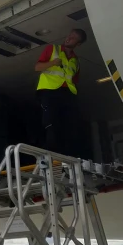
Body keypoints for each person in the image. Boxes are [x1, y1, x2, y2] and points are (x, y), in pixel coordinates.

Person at [35, 29, 87, 157]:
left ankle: (68, 157)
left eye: (74, 38)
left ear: (78, 44)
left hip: (68, 95)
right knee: (51, 125)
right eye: (69, 34)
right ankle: (52, 156)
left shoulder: (76, 61)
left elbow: (74, 80)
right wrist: (52, 63)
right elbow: (37, 67)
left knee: (70, 126)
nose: (69, 38)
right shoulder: (52, 49)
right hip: (50, 92)